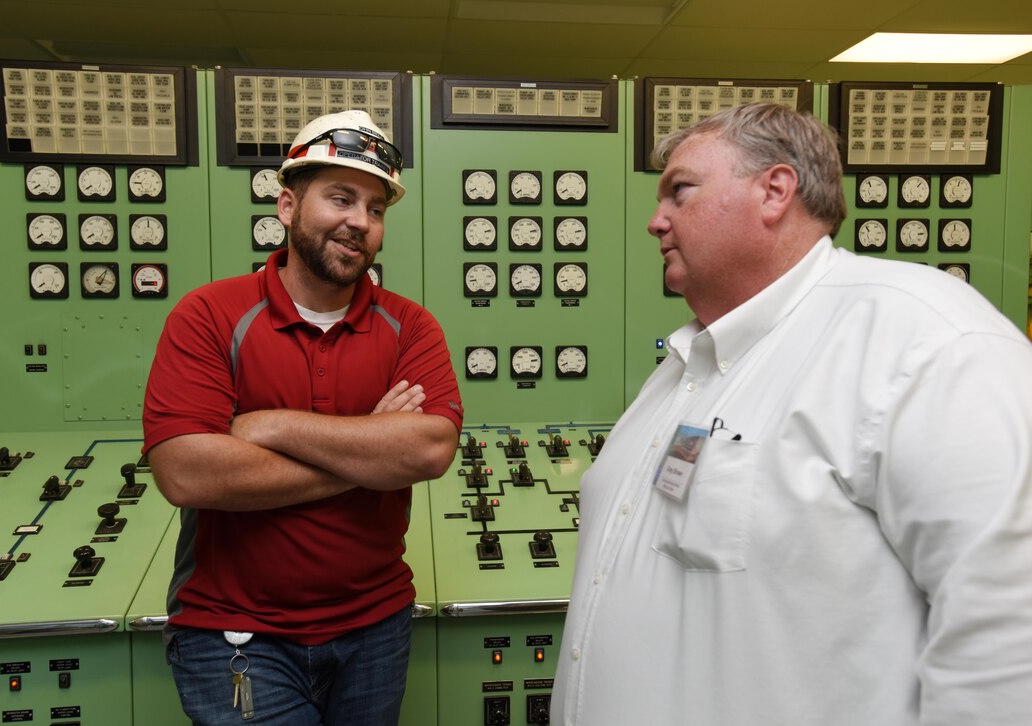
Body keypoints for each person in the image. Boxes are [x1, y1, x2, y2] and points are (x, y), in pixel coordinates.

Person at [552, 103, 1032, 725]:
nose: (655, 221)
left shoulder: (920, 338)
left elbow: (1009, 624)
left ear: (774, 191)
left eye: (680, 191)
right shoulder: (690, 361)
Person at [142, 109, 463, 725]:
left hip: (376, 628)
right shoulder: (208, 315)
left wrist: (270, 426)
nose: (359, 222)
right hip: (234, 635)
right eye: (340, 197)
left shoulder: (411, 327)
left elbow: (428, 452)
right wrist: (371, 451)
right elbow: (188, 473)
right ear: (287, 205)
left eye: (376, 209)